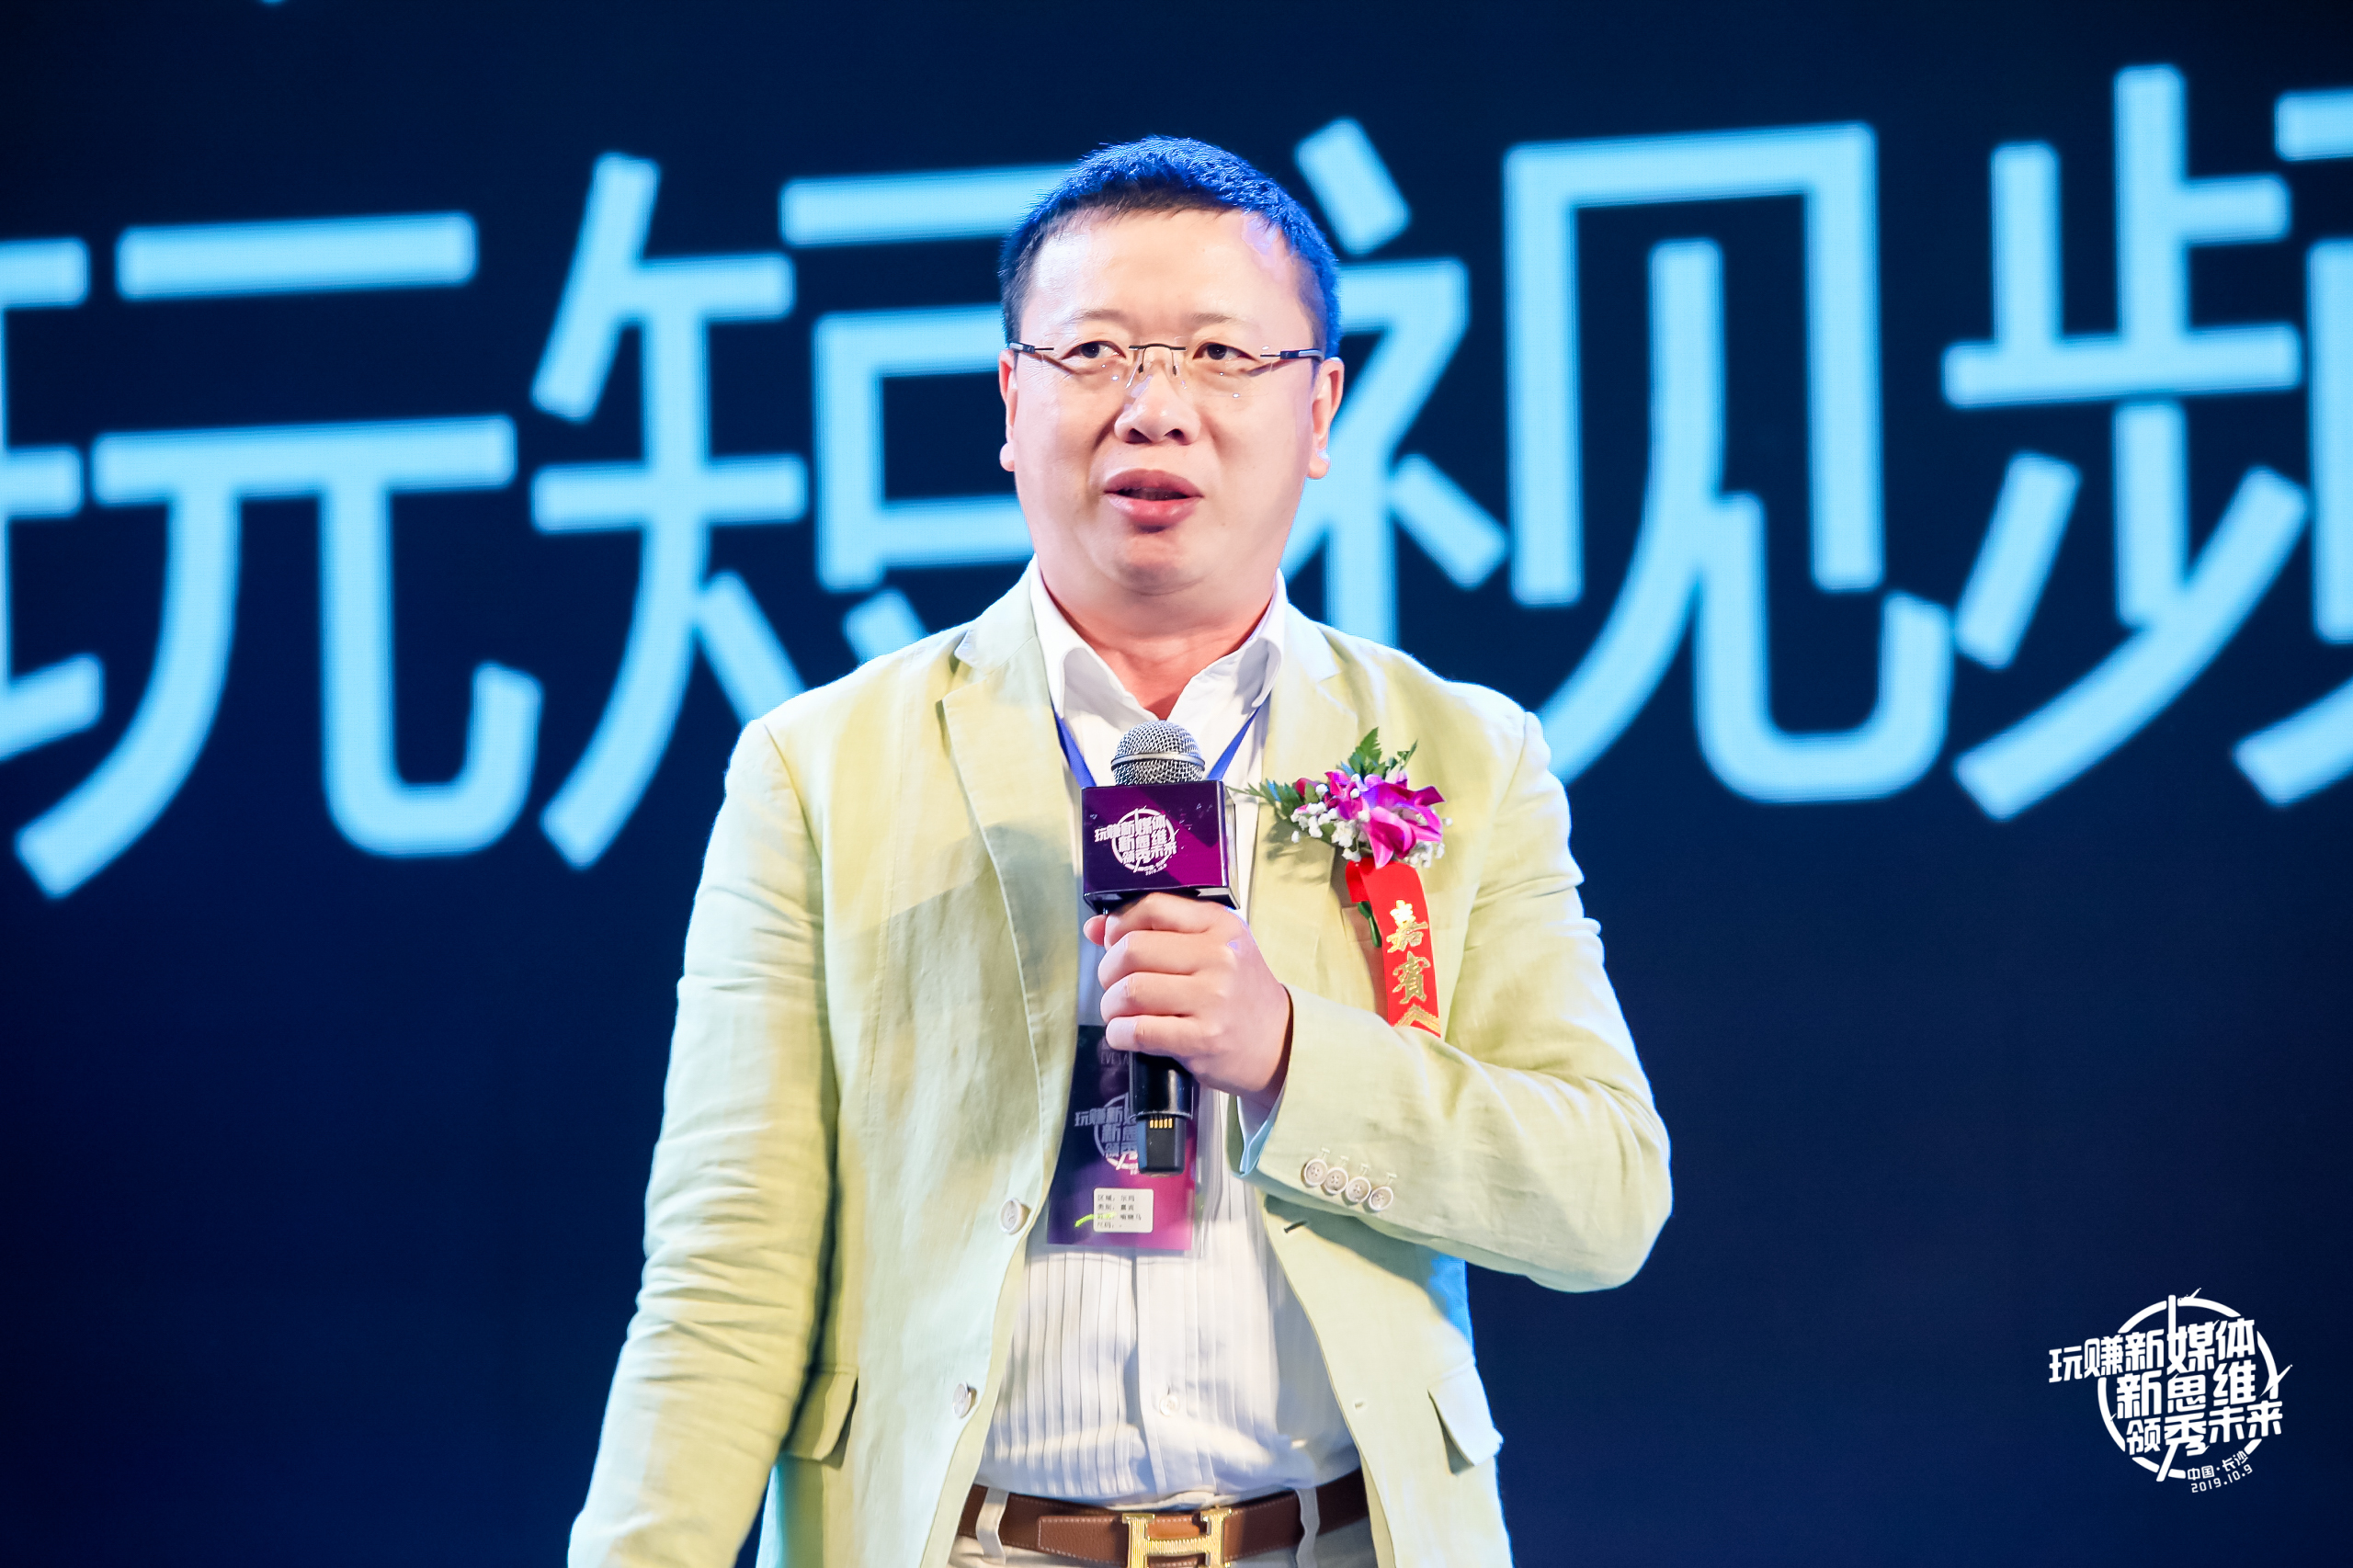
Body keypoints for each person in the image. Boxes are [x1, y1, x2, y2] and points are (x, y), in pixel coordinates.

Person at [569, 136, 1671, 1568]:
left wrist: (1291, 1052)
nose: (1155, 407)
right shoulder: (821, 768)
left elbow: (1604, 1196)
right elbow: (724, 1278)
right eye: (1093, 353)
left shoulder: (1461, 752)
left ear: (1320, 408)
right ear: (1012, 400)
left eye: (1221, 354)